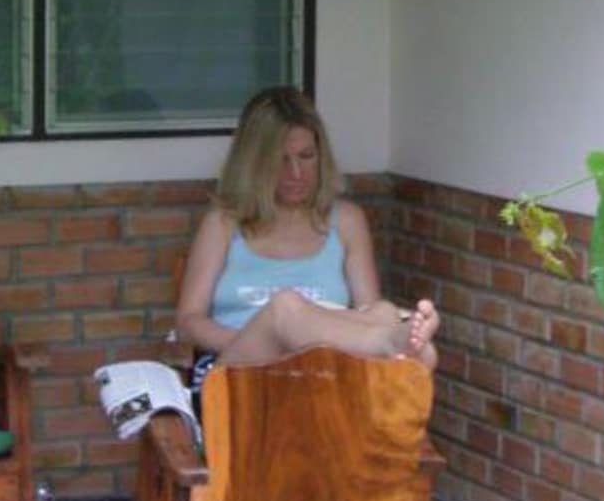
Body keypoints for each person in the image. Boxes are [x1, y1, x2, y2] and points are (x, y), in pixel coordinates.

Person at [177, 87, 439, 389]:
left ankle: (401, 339)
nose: (296, 172)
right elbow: (188, 321)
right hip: (238, 377)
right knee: (285, 308)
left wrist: (384, 319)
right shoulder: (223, 224)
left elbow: (366, 311)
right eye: (281, 160)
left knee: (382, 311)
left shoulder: (347, 221)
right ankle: (392, 342)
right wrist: (268, 340)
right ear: (254, 162)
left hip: (322, 373)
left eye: (306, 156)